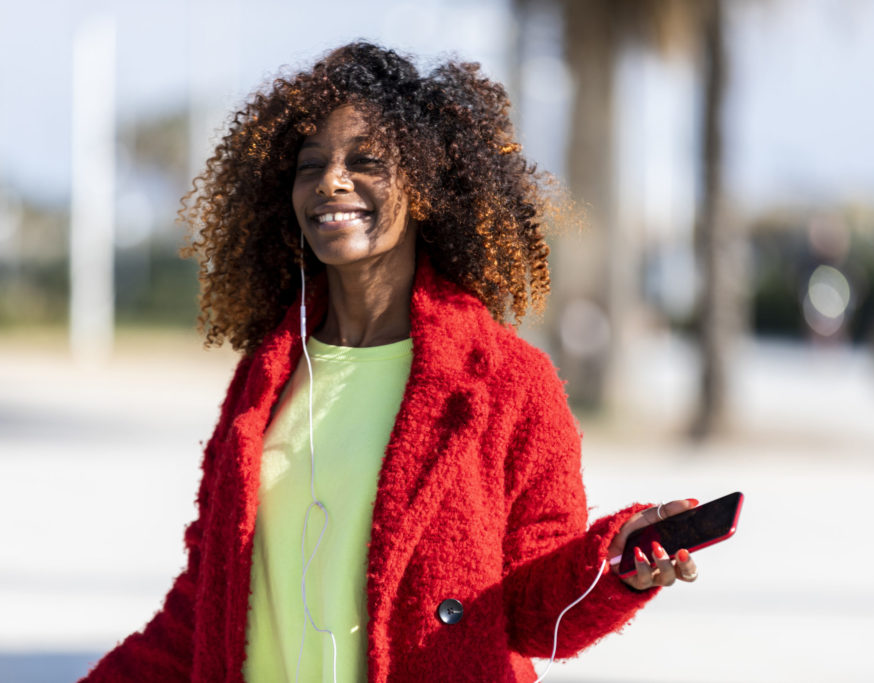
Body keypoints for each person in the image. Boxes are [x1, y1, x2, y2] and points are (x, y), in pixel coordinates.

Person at [82, 42, 700, 683]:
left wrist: (617, 563)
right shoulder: (264, 376)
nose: (330, 182)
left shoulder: (507, 381)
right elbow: (205, 606)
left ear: (425, 187)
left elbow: (534, 610)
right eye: (310, 165)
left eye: (366, 161)